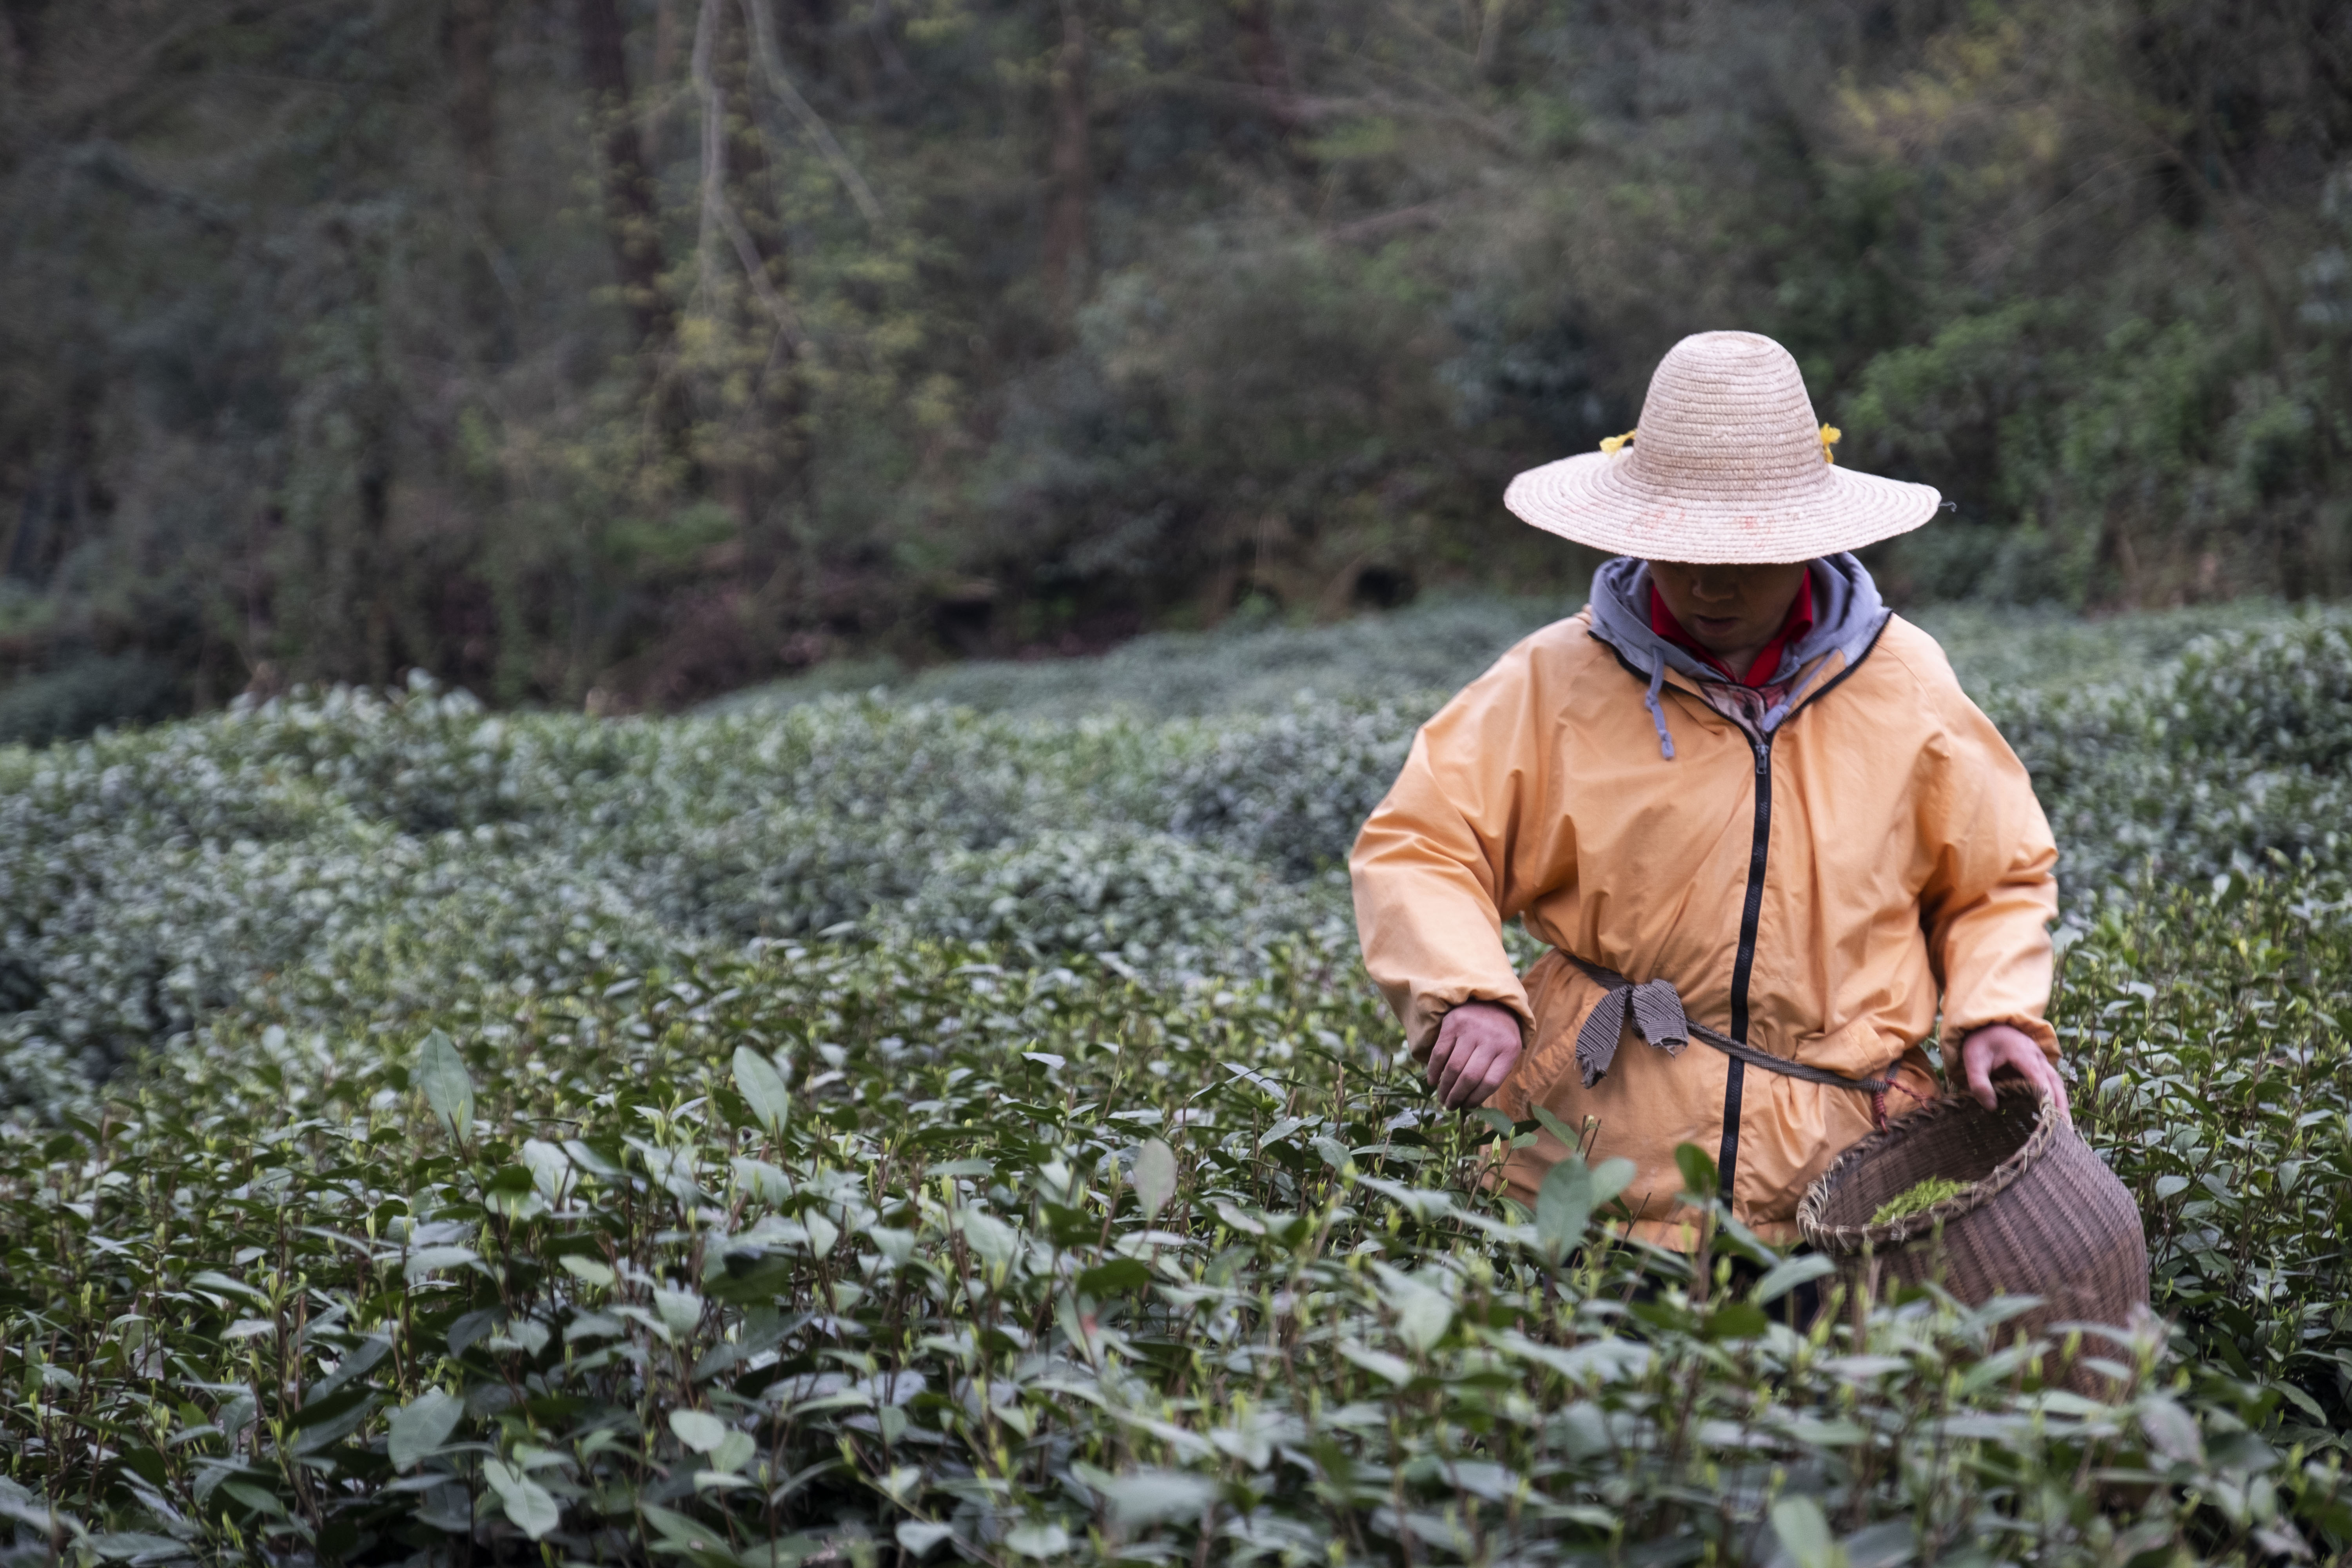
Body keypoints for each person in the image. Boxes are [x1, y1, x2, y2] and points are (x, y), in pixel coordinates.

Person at [1349, 330, 2068, 1248]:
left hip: (1845, 1177)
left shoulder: (1907, 682)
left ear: (1808, 542)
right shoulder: (1553, 679)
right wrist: (1468, 990)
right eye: (1680, 551)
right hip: (1581, 1163)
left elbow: (1995, 882)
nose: (1706, 585)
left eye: (1742, 559)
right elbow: (1422, 842)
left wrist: (1996, 1013)